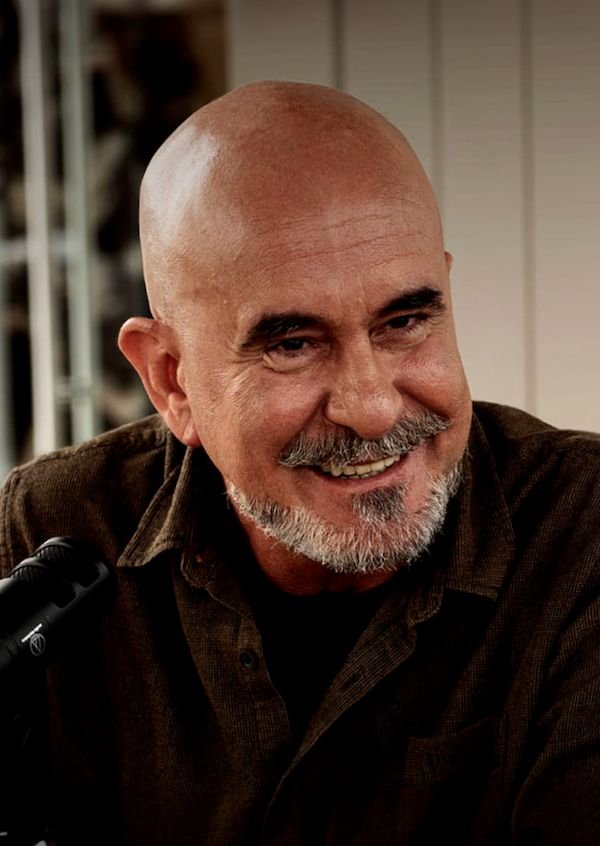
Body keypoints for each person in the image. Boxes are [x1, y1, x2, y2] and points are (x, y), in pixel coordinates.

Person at [0, 81, 598, 845]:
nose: (371, 408)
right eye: (292, 344)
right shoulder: (54, 525)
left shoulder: (582, 534)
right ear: (172, 381)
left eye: (405, 321)